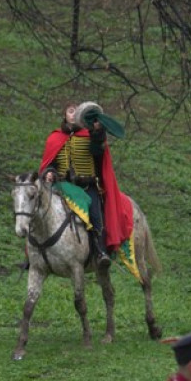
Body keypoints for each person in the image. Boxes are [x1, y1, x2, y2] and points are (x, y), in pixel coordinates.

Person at [39, 101, 131, 269]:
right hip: (62, 187)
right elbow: (50, 163)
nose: (73, 114)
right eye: (70, 111)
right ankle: (35, 254)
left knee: (96, 216)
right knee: (38, 210)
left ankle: (101, 252)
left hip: (87, 187)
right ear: (64, 114)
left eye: (76, 111)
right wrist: (49, 172)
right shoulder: (55, 138)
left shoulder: (90, 135)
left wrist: (97, 132)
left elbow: (98, 152)